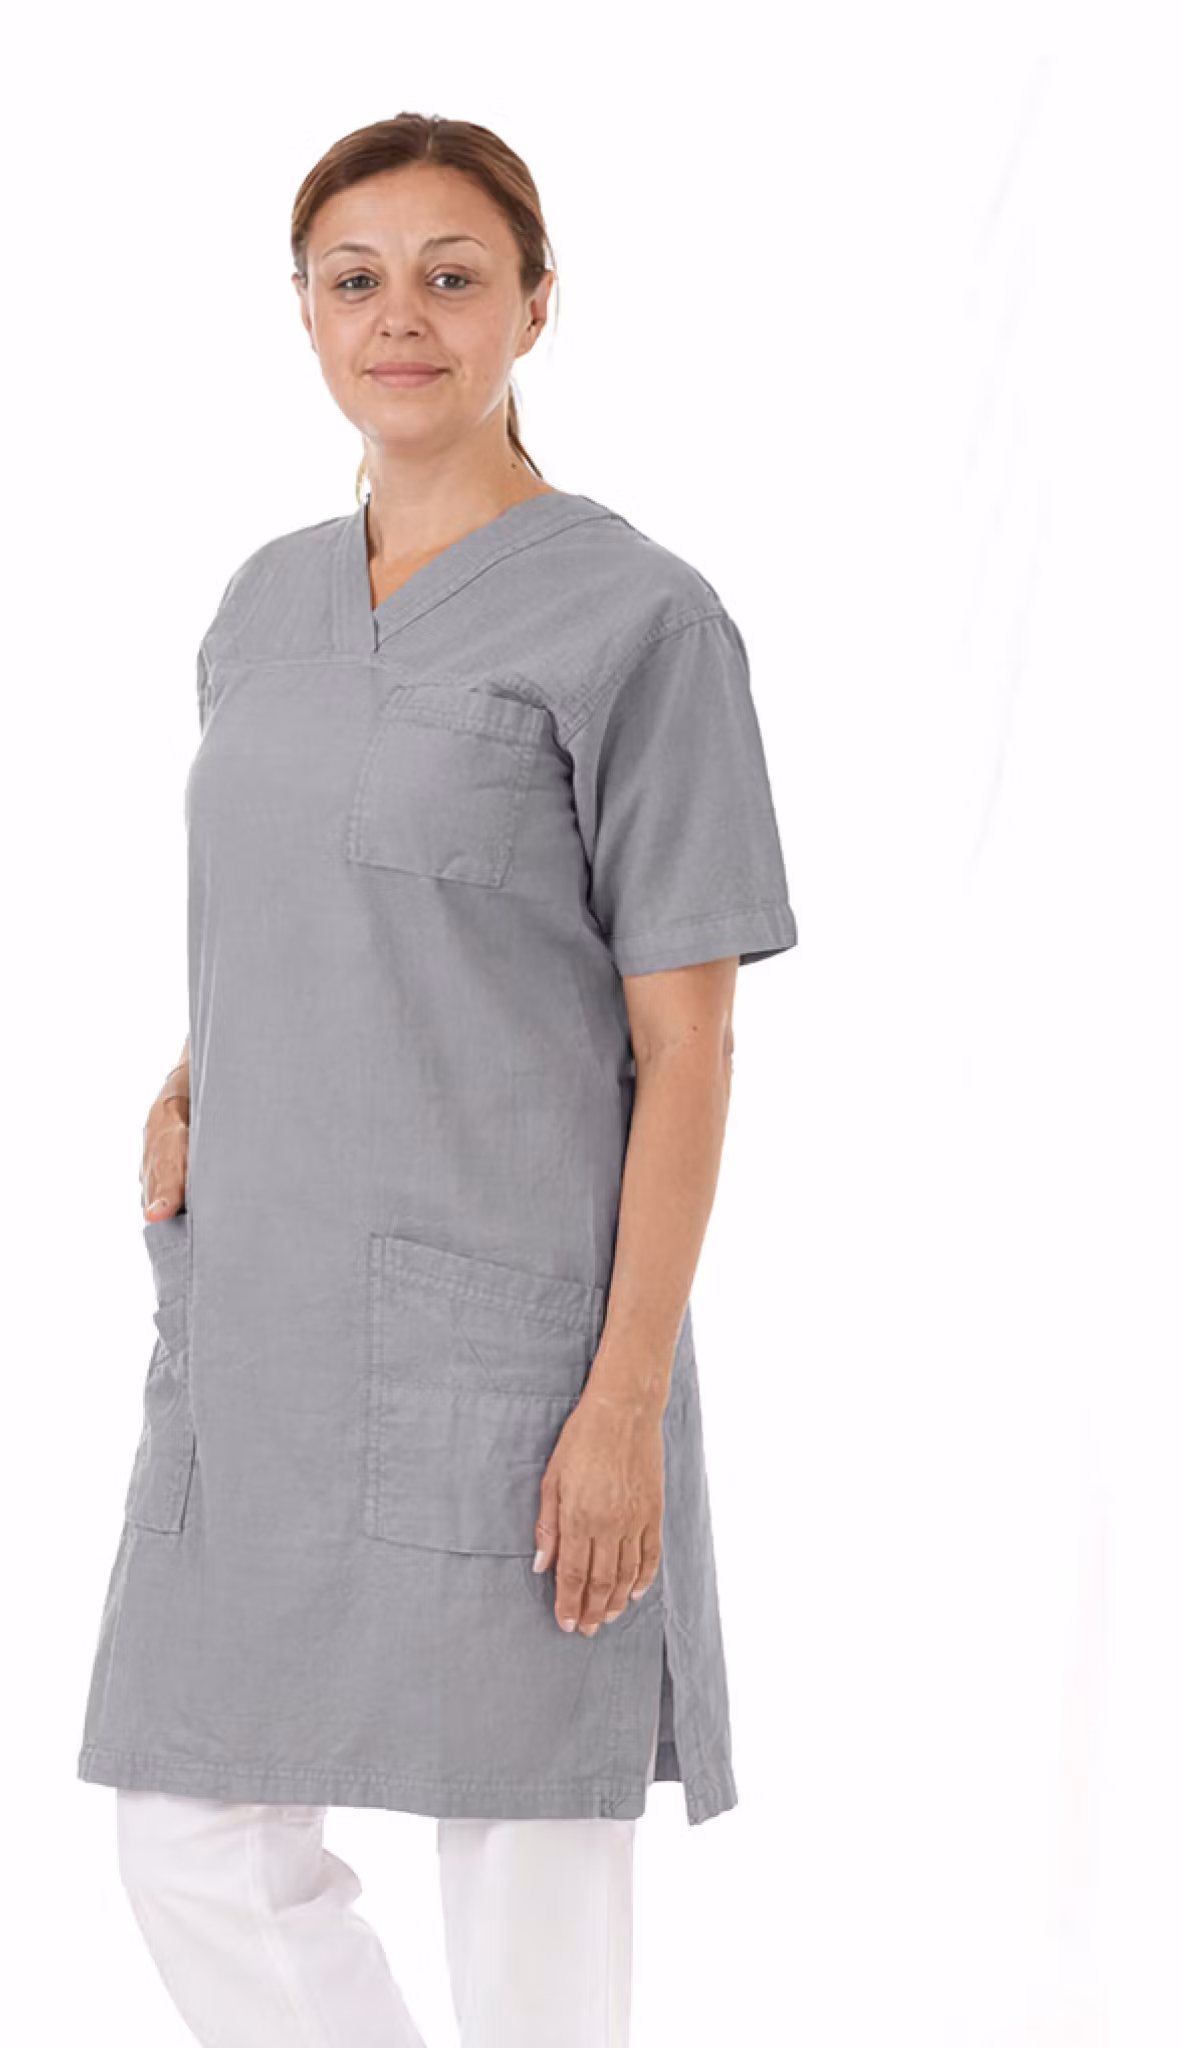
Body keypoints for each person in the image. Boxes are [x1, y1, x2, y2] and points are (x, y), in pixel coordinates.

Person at [77, 112, 799, 2048]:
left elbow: (688, 1037)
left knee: (527, 1851)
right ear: (305, 313)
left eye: (452, 276)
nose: (401, 316)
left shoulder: (639, 619)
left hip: (519, 1329)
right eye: (357, 279)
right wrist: (197, 1066)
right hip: (267, 1321)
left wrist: (621, 1405)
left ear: (534, 309)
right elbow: (328, 893)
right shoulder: (262, 609)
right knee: (187, 1828)